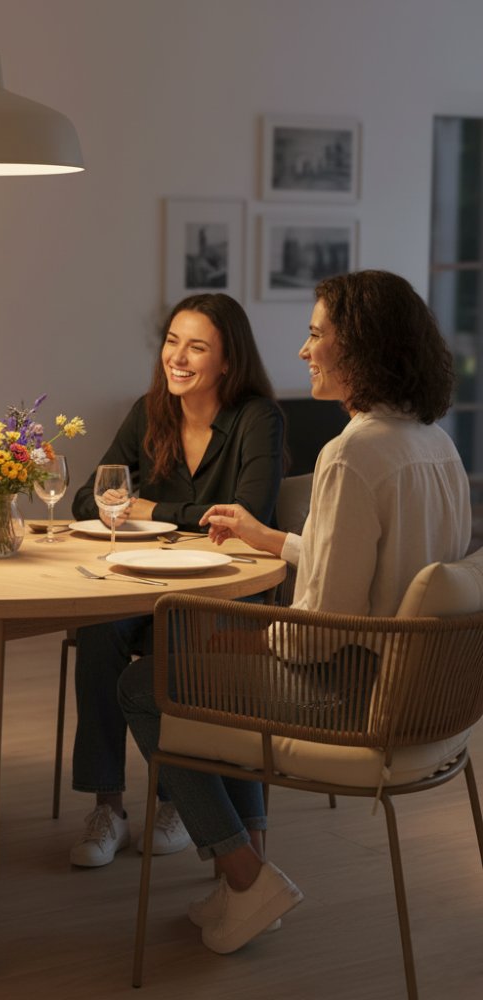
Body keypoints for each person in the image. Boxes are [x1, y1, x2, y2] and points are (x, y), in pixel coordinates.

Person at [118, 270, 471, 954]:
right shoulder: (434, 443)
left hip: (354, 691)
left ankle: (246, 875)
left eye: (317, 335)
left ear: (360, 348)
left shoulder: (352, 453)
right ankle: (242, 884)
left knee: (150, 684)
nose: (304, 351)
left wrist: (249, 639)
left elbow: (318, 635)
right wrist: (274, 540)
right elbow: (385, 570)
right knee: (200, 666)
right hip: (428, 695)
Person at [68, 293, 284, 868]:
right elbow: (85, 497)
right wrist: (121, 502)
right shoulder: (149, 410)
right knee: (97, 628)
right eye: (172, 342)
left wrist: (147, 508)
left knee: (178, 639)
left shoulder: (258, 417)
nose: (178, 358)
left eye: (197, 347)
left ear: (228, 362)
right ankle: (107, 805)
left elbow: (245, 514)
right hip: (145, 581)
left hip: (224, 591)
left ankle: (173, 799)